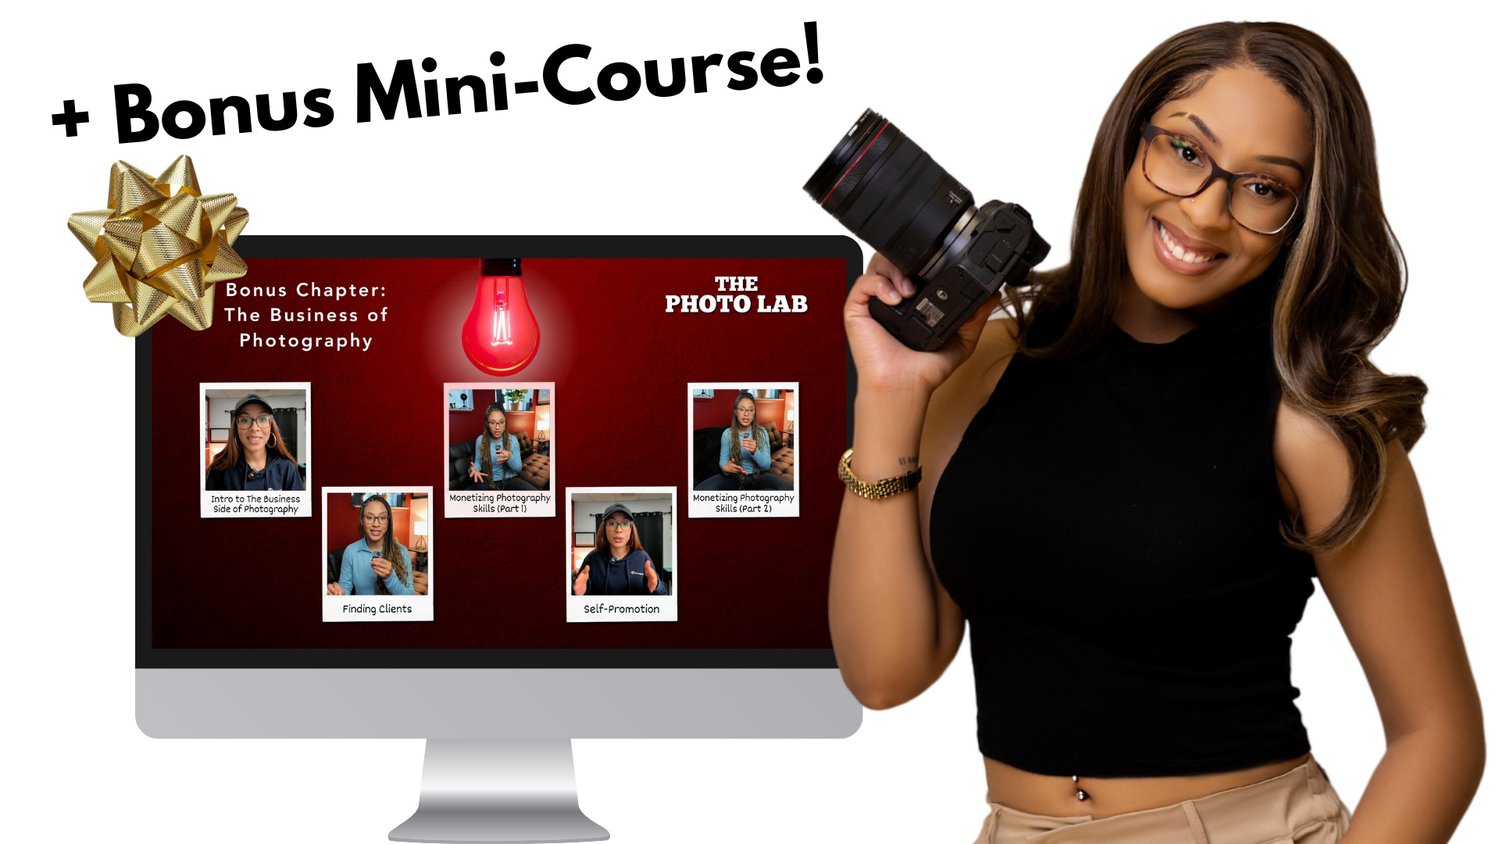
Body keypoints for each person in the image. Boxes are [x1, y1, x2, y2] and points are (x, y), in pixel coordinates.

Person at [829, 22, 1483, 844]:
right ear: (1127, 142)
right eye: (1184, 151)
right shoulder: (985, 364)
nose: (1206, 213)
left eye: (1265, 188)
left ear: (1306, 214)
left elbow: (1439, 734)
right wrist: (889, 397)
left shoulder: (1309, 419)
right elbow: (884, 674)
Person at [696, 391, 792, 491]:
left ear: (754, 413)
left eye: (750, 410)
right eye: (742, 409)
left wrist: (755, 452)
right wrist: (725, 468)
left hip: (759, 475)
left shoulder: (762, 433)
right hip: (735, 476)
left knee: (785, 488)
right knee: (702, 489)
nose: (746, 414)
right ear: (735, 412)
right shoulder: (727, 434)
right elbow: (723, 461)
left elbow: (766, 465)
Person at [206, 394, 304, 491]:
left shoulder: (287, 468)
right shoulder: (219, 471)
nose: (254, 428)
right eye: (245, 420)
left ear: (270, 426)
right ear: (236, 427)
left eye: (262, 419)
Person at [572, 502, 666, 596]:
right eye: (612, 523)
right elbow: (576, 601)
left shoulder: (642, 558)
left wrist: (656, 585)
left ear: (631, 529)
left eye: (625, 523)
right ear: (604, 528)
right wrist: (579, 593)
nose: (618, 530)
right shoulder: (592, 558)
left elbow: (663, 595)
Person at [327, 495, 413, 596]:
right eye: (369, 517)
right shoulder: (351, 551)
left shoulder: (402, 551)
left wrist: (390, 577)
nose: (376, 524)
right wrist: (338, 593)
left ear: (388, 522)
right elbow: (345, 587)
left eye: (382, 517)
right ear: (362, 521)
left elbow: (409, 595)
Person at [467, 402, 538, 491]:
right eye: (493, 423)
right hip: (489, 480)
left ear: (505, 422)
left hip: (510, 479)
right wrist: (473, 469)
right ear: (487, 424)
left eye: (501, 422)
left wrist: (509, 458)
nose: (498, 427)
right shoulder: (480, 440)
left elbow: (518, 469)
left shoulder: (512, 440)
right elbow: (478, 463)